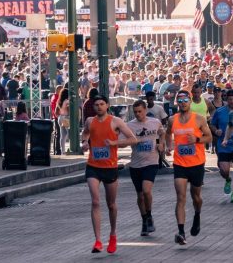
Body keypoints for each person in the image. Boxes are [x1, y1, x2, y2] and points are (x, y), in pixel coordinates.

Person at [81, 95, 137, 253]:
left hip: (110, 167)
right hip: (93, 166)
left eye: (101, 104)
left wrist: (115, 143)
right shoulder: (90, 121)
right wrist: (84, 142)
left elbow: (133, 140)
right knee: (95, 202)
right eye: (96, 104)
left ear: (107, 106)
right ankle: (98, 240)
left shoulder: (116, 121)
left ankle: (112, 235)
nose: (98, 107)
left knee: (111, 204)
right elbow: (85, 133)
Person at [165, 90, 212, 245]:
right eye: (180, 99)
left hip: (197, 163)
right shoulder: (172, 120)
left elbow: (209, 137)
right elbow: (167, 133)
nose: (183, 102)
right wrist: (168, 145)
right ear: (177, 102)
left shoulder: (199, 119)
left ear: (190, 101)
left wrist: (197, 139)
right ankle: (181, 232)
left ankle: (197, 214)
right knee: (180, 197)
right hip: (180, 163)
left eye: (186, 100)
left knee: (196, 197)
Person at [127, 100, 165, 236]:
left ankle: (149, 215)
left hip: (151, 162)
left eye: (140, 111)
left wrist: (162, 145)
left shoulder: (154, 122)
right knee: (140, 195)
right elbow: (123, 140)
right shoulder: (129, 126)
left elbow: (162, 133)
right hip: (135, 164)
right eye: (135, 112)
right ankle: (145, 220)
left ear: (145, 110)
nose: (138, 114)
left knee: (146, 190)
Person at [210, 89, 233, 203]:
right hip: (223, 145)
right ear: (226, 99)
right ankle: (227, 179)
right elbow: (212, 125)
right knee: (224, 170)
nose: (232, 101)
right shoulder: (220, 111)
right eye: (230, 99)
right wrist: (216, 130)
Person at [56, 88, 70, 154]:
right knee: (70, 134)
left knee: (62, 136)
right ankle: (71, 149)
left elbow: (56, 112)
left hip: (60, 117)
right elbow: (69, 110)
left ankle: (62, 151)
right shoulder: (67, 101)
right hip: (66, 118)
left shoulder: (59, 101)